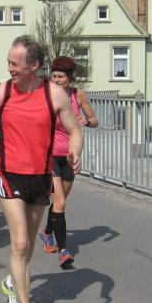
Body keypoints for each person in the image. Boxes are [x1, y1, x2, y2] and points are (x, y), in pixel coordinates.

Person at [0, 35, 82, 303]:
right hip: (8, 173)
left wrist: (75, 150)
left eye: (15, 64)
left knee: (30, 241)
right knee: (20, 242)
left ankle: (13, 280)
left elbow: (74, 130)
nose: (10, 68)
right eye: (8, 62)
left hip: (41, 176)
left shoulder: (54, 94)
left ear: (34, 65)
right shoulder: (1, 93)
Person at [38, 56, 99, 267]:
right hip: (49, 155)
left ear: (70, 78)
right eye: (54, 76)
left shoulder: (77, 95)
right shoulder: (47, 95)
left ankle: (47, 232)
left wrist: (86, 121)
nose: (56, 80)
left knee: (59, 202)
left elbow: (95, 121)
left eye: (60, 77)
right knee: (61, 202)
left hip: (70, 155)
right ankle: (63, 250)